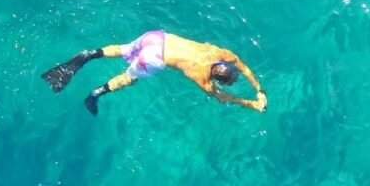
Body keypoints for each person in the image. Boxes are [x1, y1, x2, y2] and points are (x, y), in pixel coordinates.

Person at [42, 30, 267, 115]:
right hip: (155, 59)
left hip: (158, 37)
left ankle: (91, 54)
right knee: (129, 78)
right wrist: (251, 103)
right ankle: (95, 95)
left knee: (124, 48)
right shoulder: (203, 78)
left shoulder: (219, 52)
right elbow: (223, 98)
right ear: (217, 77)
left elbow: (243, 66)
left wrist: (260, 89)